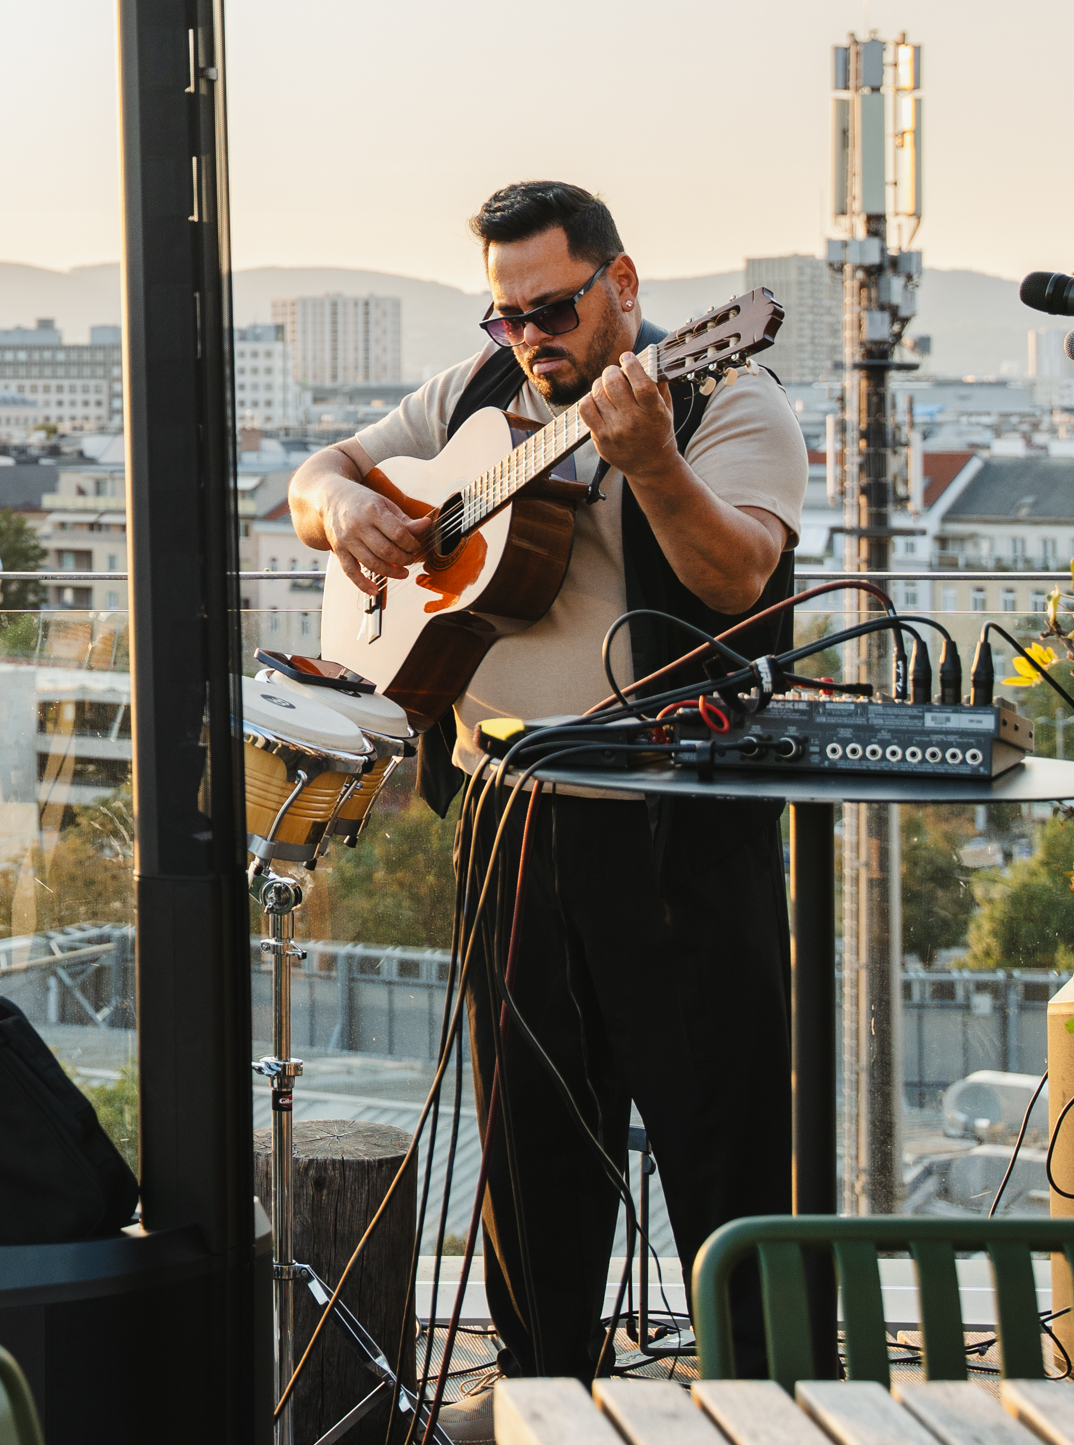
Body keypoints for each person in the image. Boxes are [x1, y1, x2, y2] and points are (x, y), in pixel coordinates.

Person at [286, 180, 808, 1390]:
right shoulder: (473, 400)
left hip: (674, 838)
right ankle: (541, 1397)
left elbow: (739, 577)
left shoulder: (729, 397)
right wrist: (353, 506)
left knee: (722, 1156)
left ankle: (764, 1404)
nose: (530, 337)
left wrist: (654, 464)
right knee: (530, 1164)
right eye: (507, 316)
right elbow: (319, 474)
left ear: (622, 286)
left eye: (555, 308)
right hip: (512, 825)